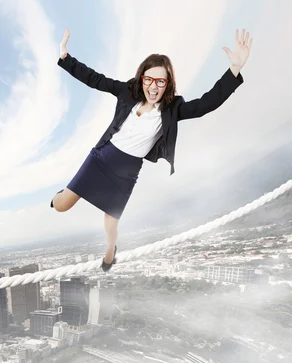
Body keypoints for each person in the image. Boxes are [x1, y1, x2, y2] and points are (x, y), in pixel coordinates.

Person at [51, 28, 253, 272]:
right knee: (61, 205)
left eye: (160, 81)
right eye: (149, 79)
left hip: (126, 173)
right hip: (102, 158)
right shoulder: (127, 92)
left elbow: (206, 104)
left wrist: (234, 71)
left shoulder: (171, 109)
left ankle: (111, 251)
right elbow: (95, 79)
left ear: (167, 84)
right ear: (141, 78)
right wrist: (66, 58)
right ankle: (66, 190)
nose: (153, 86)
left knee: (111, 222)